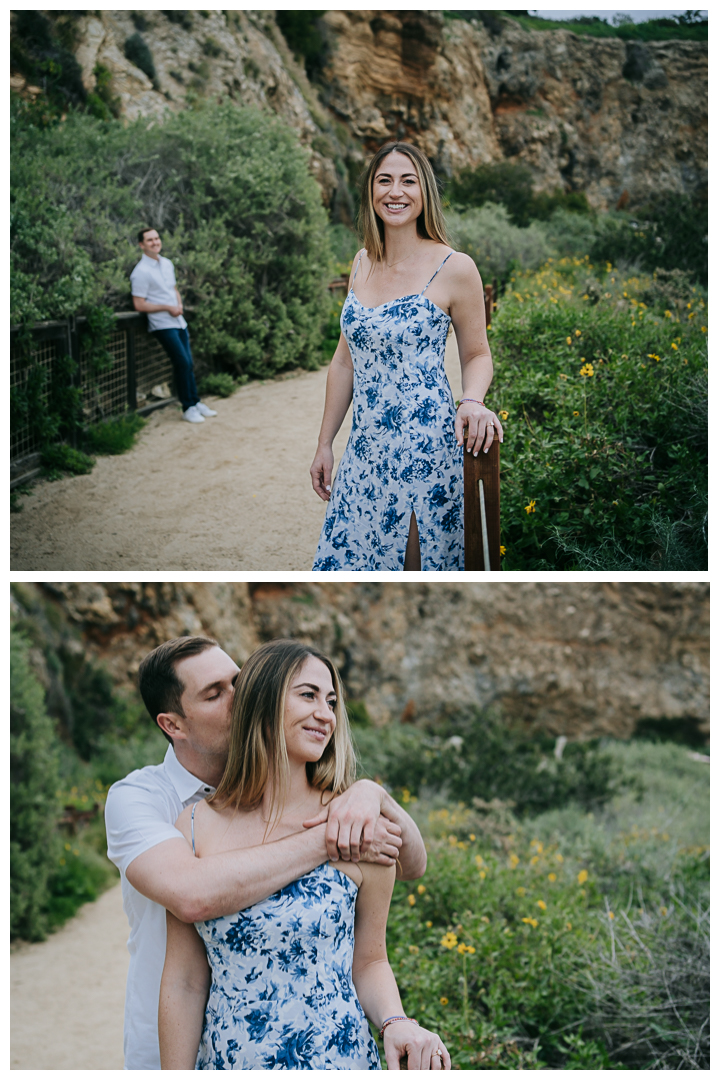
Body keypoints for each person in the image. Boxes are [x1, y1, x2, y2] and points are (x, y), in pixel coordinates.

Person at [105, 636, 426, 1071]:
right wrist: (325, 839)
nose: (239, 698)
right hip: (197, 1052)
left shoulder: (354, 818)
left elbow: (372, 954)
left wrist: (374, 794)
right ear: (173, 725)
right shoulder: (166, 811)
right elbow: (189, 934)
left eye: (239, 682)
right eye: (215, 693)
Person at [310, 141, 504, 571]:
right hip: (364, 451)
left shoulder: (455, 267)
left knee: (414, 570)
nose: (395, 191)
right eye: (384, 180)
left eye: (408, 181)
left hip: (426, 450)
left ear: (424, 193)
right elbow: (344, 362)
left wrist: (471, 401)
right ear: (371, 193)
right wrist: (325, 444)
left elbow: (477, 354)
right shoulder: (361, 262)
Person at [130, 227, 217, 424]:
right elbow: (139, 304)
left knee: (189, 362)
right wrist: (167, 308)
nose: (155, 242)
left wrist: (178, 304)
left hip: (179, 321)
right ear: (141, 245)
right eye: (149, 240)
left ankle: (195, 402)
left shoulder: (167, 264)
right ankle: (187, 407)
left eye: (157, 238)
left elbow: (173, 288)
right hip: (162, 324)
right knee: (182, 362)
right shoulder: (140, 272)